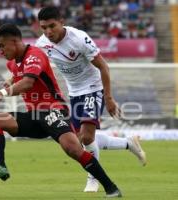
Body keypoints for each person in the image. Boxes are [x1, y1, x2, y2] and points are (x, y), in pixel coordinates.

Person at [0, 23, 122, 198]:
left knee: (74, 150)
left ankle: (111, 188)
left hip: (53, 110)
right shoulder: (12, 64)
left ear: (15, 41)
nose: (0, 51)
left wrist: (2, 92)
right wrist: (10, 81)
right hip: (34, 116)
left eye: (2, 46)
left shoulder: (35, 55)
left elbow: (28, 82)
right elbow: (18, 72)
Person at [35, 6, 146, 192]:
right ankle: (129, 143)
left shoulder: (78, 39)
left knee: (86, 137)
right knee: (82, 140)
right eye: (44, 27)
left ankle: (92, 178)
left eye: (52, 26)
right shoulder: (42, 43)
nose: (48, 32)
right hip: (74, 92)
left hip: (93, 87)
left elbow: (103, 66)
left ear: (62, 22)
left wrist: (108, 97)